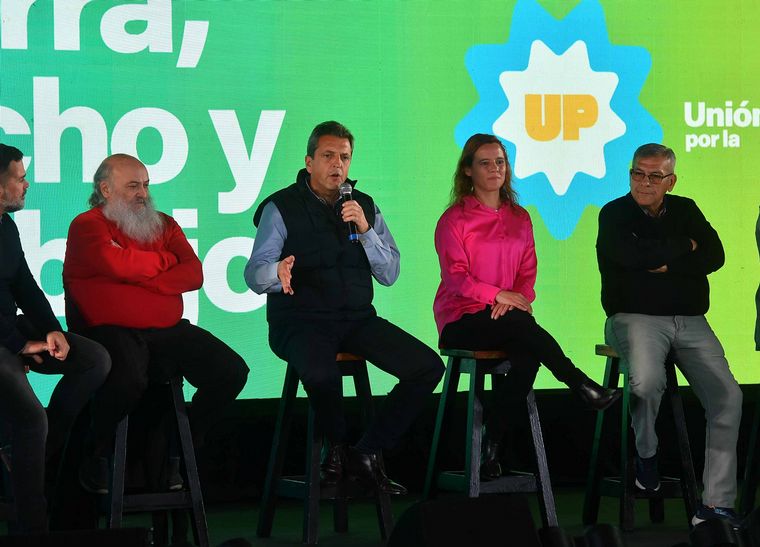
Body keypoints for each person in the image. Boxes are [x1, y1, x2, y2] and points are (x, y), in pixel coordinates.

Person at [245, 121, 444, 495]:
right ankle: (334, 453)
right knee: (322, 375)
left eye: (344, 157)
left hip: (355, 319)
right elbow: (253, 273)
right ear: (309, 162)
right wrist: (277, 270)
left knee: (427, 367)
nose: (337, 164)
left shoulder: (363, 206)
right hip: (299, 321)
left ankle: (364, 454)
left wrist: (367, 231)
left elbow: (390, 274)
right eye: (328, 156)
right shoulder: (280, 206)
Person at [433, 133, 620, 480]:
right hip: (462, 318)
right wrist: (498, 296)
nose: (494, 169)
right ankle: (578, 382)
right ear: (468, 171)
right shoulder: (454, 219)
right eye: (485, 163)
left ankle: (491, 441)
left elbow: (527, 275)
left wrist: (512, 300)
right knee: (522, 328)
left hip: (509, 318)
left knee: (528, 353)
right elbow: (457, 277)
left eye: (500, 162)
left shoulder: (520, 217)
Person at [62, 153, 249, 494]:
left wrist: (145, 279)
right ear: (105, 189)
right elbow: (116, 263)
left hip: (165, 329)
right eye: (132, 186)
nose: (143, 194)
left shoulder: (164, 224)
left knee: (231, 371)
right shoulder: (87, 224)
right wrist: (165, 263)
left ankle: (178, 447)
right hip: (107, 329)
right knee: (127, 379)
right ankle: (97, 454)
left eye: (146, 185)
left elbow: (194, 273)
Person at [597, 143, 742, 526]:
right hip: (634, 318)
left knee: (728, 396)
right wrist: (683, 249)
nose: (643, 182)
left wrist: (660, 260)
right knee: (645, 383)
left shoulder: (687, 208)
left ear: (671, 180)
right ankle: (646, 456)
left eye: (654, 176)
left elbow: (715, 255)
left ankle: (715, 506)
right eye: (636, 173)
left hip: (691, 319)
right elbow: (630, 258)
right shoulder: (613, 213)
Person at [0, 144, 111, 533]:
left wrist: (51, 330)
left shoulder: (5, 225)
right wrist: (18, 344)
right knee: (30, 419)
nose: (27, 185)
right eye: (19, 177)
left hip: (9, 332)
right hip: (3, 340)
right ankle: (33, 528)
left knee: (94, 360)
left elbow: (24, 285)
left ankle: (36, 450)